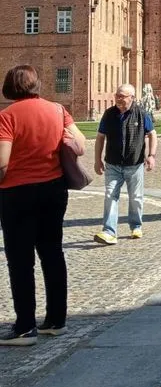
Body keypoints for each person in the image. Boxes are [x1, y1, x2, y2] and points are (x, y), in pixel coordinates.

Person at [0, 66, 87, 346]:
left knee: (20, 260)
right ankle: (56, 321)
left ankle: (25, 327)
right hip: (53, 189)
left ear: (10, 86)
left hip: (17, 193)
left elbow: (2, 163)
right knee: (52, 253)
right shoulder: (58, 110)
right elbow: (80, 143)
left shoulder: (7, 116)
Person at [93, 84, 157, 245]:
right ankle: (109, 231)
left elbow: (152, 134)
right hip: (113, 163)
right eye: (117, 95)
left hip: (134, 164)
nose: (118, 99)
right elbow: (100, 137)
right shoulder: (109, 114)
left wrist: (151, 155)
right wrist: (97, 159)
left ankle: (136, 226)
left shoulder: (141, 114)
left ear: (132, 98)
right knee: (110, 195)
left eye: (122, 96)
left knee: (135, 197)